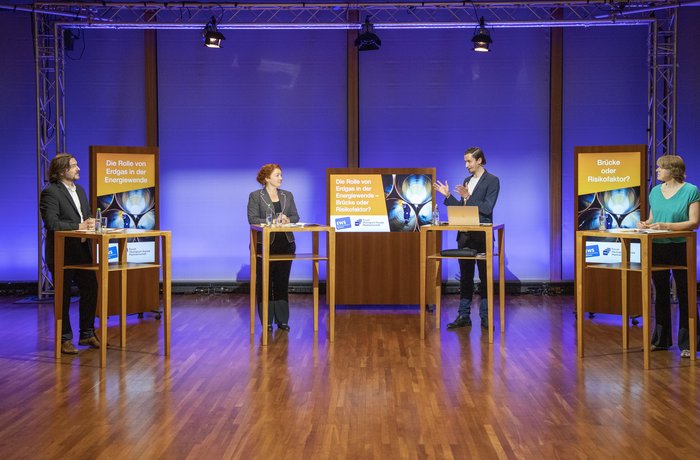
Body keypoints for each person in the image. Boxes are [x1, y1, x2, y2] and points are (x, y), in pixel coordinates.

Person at [637, 154, 700, 358]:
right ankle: (661, 340)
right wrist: (645, 224)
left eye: (660, 168)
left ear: (672, 170)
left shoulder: (691, 191)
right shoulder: (655, 191)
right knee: (660, 293)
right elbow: (653, 218)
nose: (657, 171)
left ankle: (690, 343)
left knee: (685, 294)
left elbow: (694, 223)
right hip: (657, 246)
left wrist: (666, 226)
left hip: (681, 247)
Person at [433, 147, 500, 330]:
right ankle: (464, 316)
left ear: (479, 160)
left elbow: (487, 208)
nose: (466, 165)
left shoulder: (492, 181)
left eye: (469, 161)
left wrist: (468, 196)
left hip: (481, 237)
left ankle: (486, 318)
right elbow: (463, 211)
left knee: (485, 279)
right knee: (465, 278)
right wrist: (448, 196)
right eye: (465, 161)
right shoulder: (466, 181)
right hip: (464, 236)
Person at [40, 153, 100, 354]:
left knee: (91, 289)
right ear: (62, 171)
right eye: (74, 166)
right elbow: (52, 223)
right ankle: (65, 338)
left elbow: (86, 215)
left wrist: (91, 221)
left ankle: (87, 333)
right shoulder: (50, 192)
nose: (79, 168)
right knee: (63, 296)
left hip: (83, 251)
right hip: (62, 253)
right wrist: (79, 225)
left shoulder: (80, 191)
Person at [247, 164, 299, 332]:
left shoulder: (287, 195)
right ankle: (267, 321)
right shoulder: (256, 196)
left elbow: (296, 216)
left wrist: (286, 219)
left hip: (286, 243)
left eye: (281, 175)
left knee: (282, 282)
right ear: (267, 178)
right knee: (265, 282)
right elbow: (252, 219)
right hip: (265, 244)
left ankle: (282, 320)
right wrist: (271, 220)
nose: (281, 178)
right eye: (277, 175)